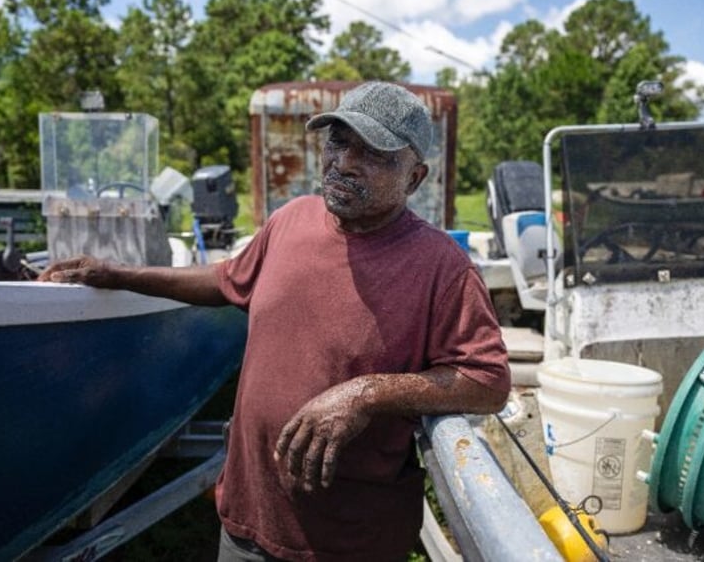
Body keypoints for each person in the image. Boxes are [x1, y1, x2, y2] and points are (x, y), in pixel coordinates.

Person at [38, 81, 511, 561]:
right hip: (246, 520)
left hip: (349, 542)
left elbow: (487, 381)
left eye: (374, 154)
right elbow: (227, 279)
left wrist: (367, 393)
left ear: (414, 178)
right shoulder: (291, 219)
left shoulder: (441, 267)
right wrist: (117, 274)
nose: (344, 162)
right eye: (338, 141)